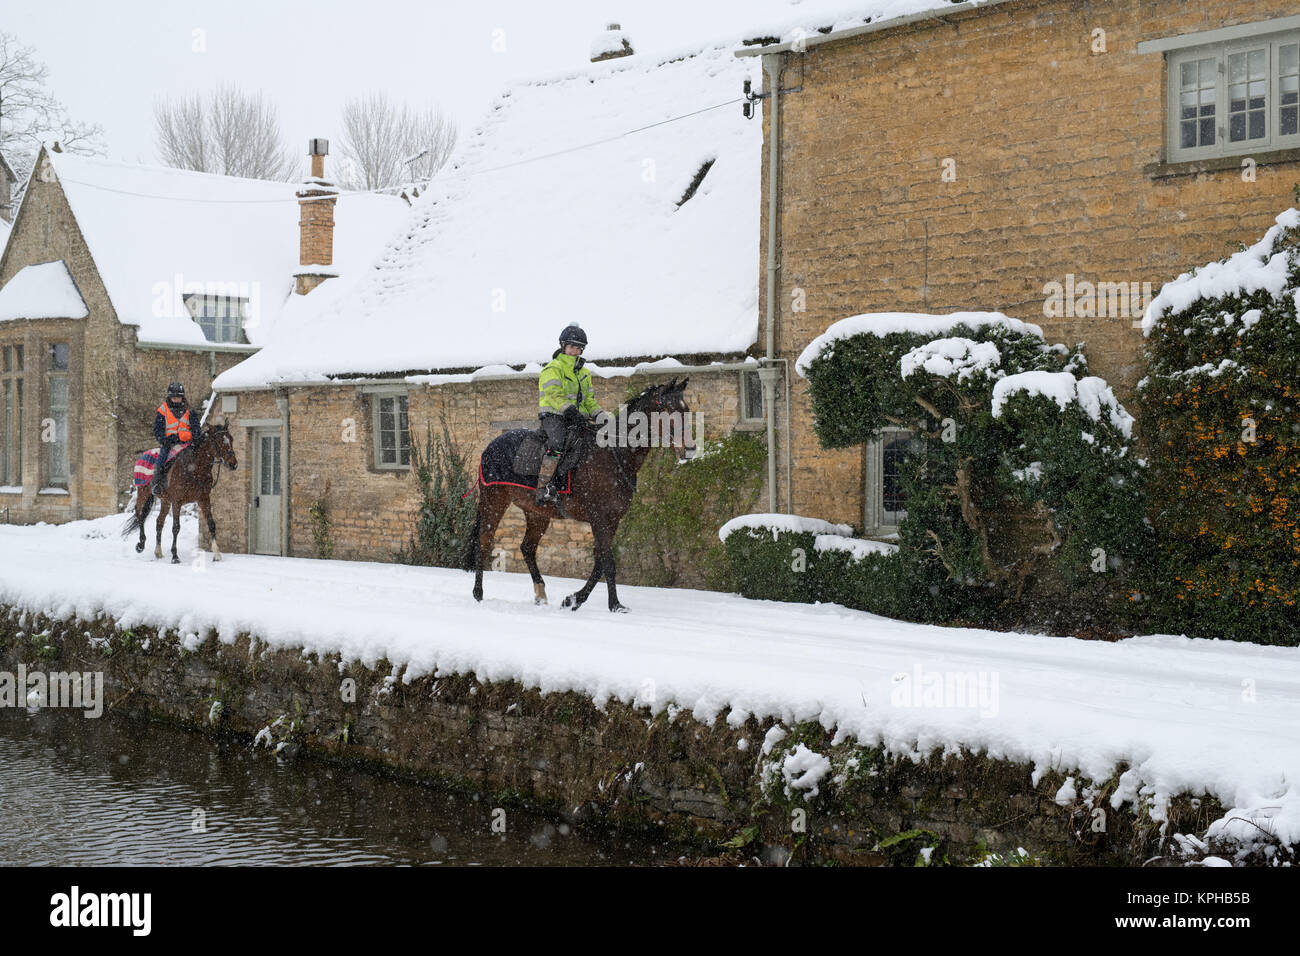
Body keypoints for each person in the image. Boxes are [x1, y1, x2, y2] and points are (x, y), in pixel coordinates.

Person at [536, 323, 601, 505]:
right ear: (563, 346)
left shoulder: (584, 373)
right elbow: (553, 394)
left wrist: (600, 415)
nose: (575, 351)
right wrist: (569, 409)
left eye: (579, 348)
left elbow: (589, 400)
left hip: (575, 417)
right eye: (572, 347)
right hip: (553, 415)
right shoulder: (553, 368)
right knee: (557, 441)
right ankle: (544, 487)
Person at [150, 382, 201, 495]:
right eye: (174, 397)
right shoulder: (162, 410)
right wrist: (165, 440)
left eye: (178, 397)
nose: (176, 399)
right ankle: (157, 483)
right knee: (162, 458)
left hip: (187, 443)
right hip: (169, 443)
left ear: (182, 397)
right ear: (170, 397)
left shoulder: (190, 410)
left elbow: (197, 429)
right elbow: (157, 430)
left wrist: (191, 437)